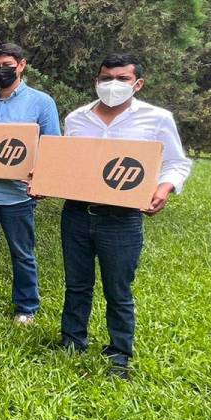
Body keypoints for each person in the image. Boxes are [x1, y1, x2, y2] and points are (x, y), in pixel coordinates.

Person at [57, 53, 193, 378]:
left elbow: (177, 163)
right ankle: (72, 341)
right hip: (76, 213)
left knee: (118, 288)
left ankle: (119, 354)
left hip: (122, 218)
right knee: (77, 284)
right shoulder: (77, 118)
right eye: (106, 78)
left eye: (122, 79)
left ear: (138, 83)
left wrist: (164, 189)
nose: (113, 85)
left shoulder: (157, 118)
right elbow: (65, 162)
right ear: (96, 80)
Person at [0, 43, 60, 324]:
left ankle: (26, 306)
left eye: (7, 65)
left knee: (22, 252)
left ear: (22, 65)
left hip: (17, 195)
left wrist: (43, 182)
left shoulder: (41, 103)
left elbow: (52, 147)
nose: (1, 70)